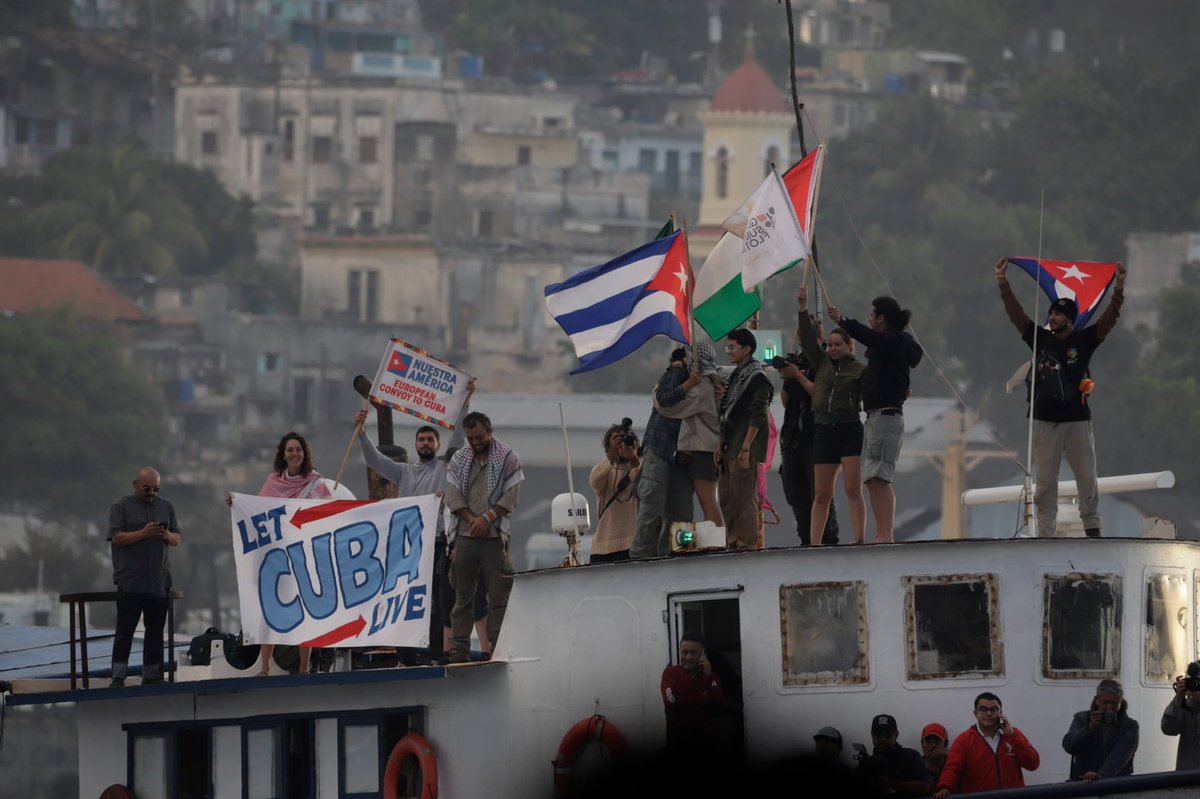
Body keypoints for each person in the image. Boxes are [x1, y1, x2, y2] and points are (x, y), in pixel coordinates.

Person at [995, 258, 1127, 537]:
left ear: (1070, 318)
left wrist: (1119, 288)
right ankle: (1045, 533)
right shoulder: (1041, 340)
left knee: (1087, 478)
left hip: (1078, 421)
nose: (1051, 318)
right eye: (1051, 313)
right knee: (1045, 483)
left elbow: (1110, 319)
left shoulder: (1084, 341)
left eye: (1057, 314)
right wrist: (1003, 283)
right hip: (1046, 423)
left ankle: (1092, 528)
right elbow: (1016, 315)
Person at [354, 378, 484, 659]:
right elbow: (375, 461)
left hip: (437, 543)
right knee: (405, 599)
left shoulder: (445, 468)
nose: (425, 443)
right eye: (421, 440)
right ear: (415, 445)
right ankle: (406, 657)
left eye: (430, 440)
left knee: (438, 602)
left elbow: (457, 439)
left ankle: (437, 655)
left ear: (436, 444)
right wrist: (362, 433)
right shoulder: (403, 472)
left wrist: (465, 403)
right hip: (408, 547)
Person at [830, 296, 922, 543]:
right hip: (883, 416)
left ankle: (884, 534)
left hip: (884, 417)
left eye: (872, 314)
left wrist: (844, 321)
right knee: (876, 477)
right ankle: (884, 533)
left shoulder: (890, 341)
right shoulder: (896, 345)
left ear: (882, 318)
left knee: (878, 477)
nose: (869, 318)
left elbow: (870, 338)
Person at [250, 432, 332, 676]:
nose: (294, 453)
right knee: (270, 610)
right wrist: (236, 505)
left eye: (298, 449)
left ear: (305, 453)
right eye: (290, 450)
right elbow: (257, 512)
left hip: (304, 554)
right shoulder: (273, 481)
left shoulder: (317, 484)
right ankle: (264, 667)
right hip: (276, 556)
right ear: (283, 455)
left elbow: (328, 515)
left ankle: (305, 668)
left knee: (305, 608)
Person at [445, 411, 523, 663]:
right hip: (466, 536)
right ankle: (459, 650)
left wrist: (486, 519)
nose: (475, 442)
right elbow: (454, 497)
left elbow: (510, 498)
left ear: (489, 431)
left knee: (498, 597)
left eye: (479, 436)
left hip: (493, 538)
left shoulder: (509, 459)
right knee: (462, 598)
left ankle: (498, 648)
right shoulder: (459, 458)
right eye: (470, 438)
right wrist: (472, 520)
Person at [796, 287, 866, 545]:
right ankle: (815, 543)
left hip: (850, 430)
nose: (833, 349)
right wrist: (802, 310)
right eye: (831, 345)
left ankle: (858, 539)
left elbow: (874, 390)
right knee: (822, 493)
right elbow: (807, 340)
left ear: (850, 346)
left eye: (839, 345)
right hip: (824, 431)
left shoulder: (859, 369)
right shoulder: (821, 363)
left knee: (852, 489)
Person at [107, 467, 181, 687]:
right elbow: (116, 538)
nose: (151, 493)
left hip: (158, 579)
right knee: (125, 631)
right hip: (131, 580)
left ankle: (152, 675)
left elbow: (177, 537)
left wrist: (166, 535)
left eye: (156, 489)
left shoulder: (166, 506)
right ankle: (118, 675)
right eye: (147, 488)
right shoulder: (121, 506)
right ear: (135, 484)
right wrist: (143, 533)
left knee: (156, 632)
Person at [652, 337, 725, 530]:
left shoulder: (701, 388)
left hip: (704, 449)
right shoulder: (712, 381)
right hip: (701, 447)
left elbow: (666, 408)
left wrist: (658, 390)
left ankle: (717, 541)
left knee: (708, 501)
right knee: (708, 501)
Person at [630, 349, 695, 559]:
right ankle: (641, 557)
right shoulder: (677, 373)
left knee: (680, 513)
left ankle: (674, 556)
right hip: (660, 447)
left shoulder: (700, 380)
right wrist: (689, 383)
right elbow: (663, 398)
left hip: (680, 454)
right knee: (652, 510)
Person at [777, 337, 839, 545]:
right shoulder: (798, 363)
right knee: (796, 493)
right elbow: (785, 401)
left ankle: (827, 539)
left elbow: (820, 397)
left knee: (820, 495)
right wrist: (788, 377)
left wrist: (799, 377)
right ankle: (806, 538)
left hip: (815, 438)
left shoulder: (825, 364)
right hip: (792, 438)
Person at [717, 328, 773, 551]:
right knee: (726, 499)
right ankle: (732, 542)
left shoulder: (756, 378)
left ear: (747, 349)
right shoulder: (735, 376)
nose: (729, 351)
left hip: (743, 449)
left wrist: (747, 448)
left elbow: (758, 415)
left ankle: (747, 545)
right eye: (727, 347)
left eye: (733, 347)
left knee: (743, 499)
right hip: (729, 448)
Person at [934, 692, 1040, 797]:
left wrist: (1013, 736)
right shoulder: (964, 740)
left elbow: (1032, 764)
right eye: (983, 709)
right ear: (975, 713)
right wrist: (944, 787)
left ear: (1000, 713)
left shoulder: (1013, 735)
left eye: (994, 709)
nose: (989, 713)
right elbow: (952, 768)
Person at [660, 632, 725, 756]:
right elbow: (671, 703)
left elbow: (719, 705)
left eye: (693, 652)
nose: (688, 657)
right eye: (684, 652)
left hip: (705, 747)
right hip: (676, 747)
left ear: (702, 653)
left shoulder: (711, 676)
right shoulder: (670, 673)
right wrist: (704, 699)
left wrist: (708, 676)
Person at [1062, 678, 1138, 782]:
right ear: (1097, 700)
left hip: (1117, 786)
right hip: (1081, 784)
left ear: (1121, 702)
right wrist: (1088, 729)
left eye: (1114, 703)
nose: (1109, 707)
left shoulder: (1130, 726)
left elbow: (1119, 757)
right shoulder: (1082, 719)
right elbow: (1068, 746)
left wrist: (1098, 776)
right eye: (1105, 702)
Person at [589, 422, 641, 563]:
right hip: (603, 546)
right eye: (618, 441)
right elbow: (595, 481)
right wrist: (611, 454)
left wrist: (633, 459)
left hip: (633, 544)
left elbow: (648, 485)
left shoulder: (640, 469)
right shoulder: (605, 471)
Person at [857, 714, 933, 797]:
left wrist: (891, 783)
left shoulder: (911, 757)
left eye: (887, 734)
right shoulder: (867, 763)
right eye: (878, 735)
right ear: (872, 735)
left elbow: (925, 787)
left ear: (896, 734)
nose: (883, 739)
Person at [1161, 663, 1200, 770]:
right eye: (1191, 682)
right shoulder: (1184, 706)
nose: (1195, 685)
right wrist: (1178, 699)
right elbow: (1168, 729)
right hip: (1187, 779)